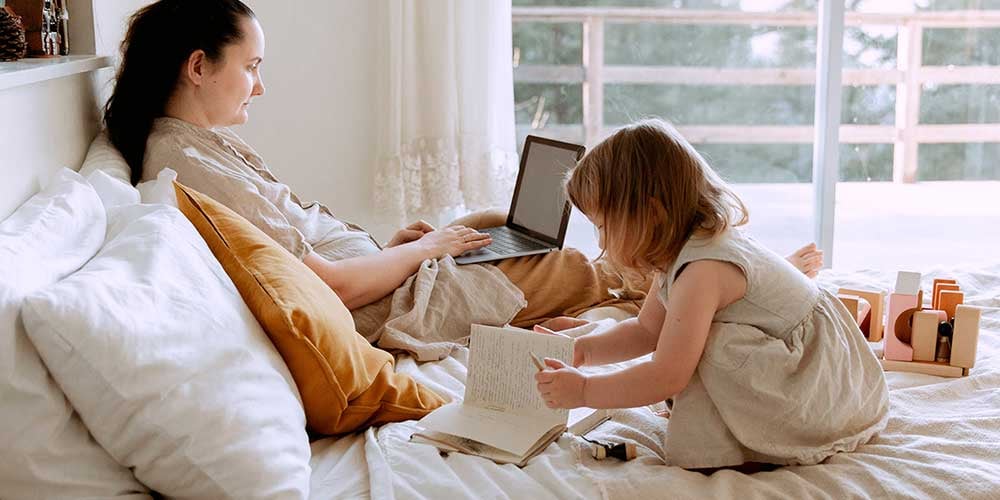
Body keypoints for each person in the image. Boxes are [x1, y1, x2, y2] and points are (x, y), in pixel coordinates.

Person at [103, 0, 824, 360]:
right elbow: (330, 289)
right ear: (199, 66)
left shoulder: (195, 149)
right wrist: (419, 255)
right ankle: (717, 283)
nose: (259, 87)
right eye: (251, 66)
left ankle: (709, 275)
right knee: (564, 261)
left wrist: (404, 243)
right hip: (384, 308)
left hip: (384, 279)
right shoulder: (188, 167)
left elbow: (313, 254)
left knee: (484, 222)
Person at [533, 119, 889, 470]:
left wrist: (584, 392)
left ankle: (728, 454)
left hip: (818, 391)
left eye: (602, 226)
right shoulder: (677, 252)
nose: (600, 242)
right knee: (685, 339)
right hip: (812, 372)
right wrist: (583, 351)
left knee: (706, 347)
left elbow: (667, 375)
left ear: (652, 214)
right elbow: (645, 331)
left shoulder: (703, 270)